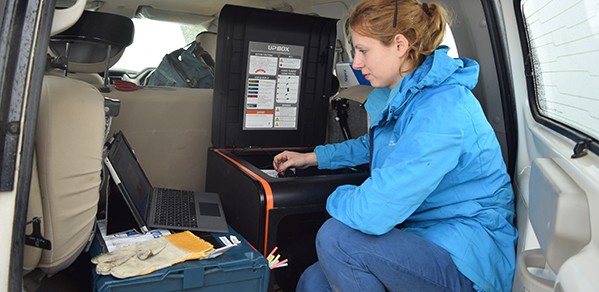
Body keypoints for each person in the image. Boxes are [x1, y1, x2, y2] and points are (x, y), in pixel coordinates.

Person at [272, 0, 517, 291]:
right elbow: (374, 143)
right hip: (424, 233)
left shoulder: (443, 109)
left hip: (467, 254)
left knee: (336, 237)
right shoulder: (409, 96)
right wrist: (312, 158)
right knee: (313, 281)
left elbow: (373, 212)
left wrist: (333, 197)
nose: (357, 63)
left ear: (400, 45)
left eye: (363, 50)